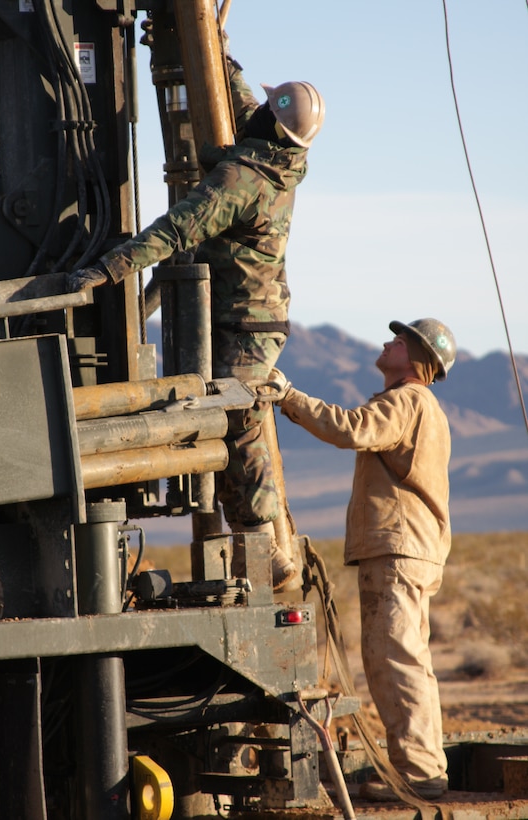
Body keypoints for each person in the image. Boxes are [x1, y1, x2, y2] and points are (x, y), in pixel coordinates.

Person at [66, 49, 325, 590]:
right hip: (245, 316)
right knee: (223, 419)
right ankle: (254, 533)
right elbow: (250, 103)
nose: (251, 112)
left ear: (271, 128)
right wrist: (214, 57)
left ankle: (264, 543)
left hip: (244, 325)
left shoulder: (241, 181)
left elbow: (177, 228)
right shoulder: (279, 162)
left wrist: (112, 266)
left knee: (238, 420)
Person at [268, 318, 456, 801]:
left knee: (395, 660)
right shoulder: (422, 406)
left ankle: (418, 774)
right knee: (407, 659)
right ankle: (423, 765)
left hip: (398, 545)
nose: (388, 342)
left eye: (399, 340)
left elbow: (352, 428)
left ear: (416, 360)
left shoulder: (407, 400)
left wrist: (289, 397)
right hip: (411, 546)